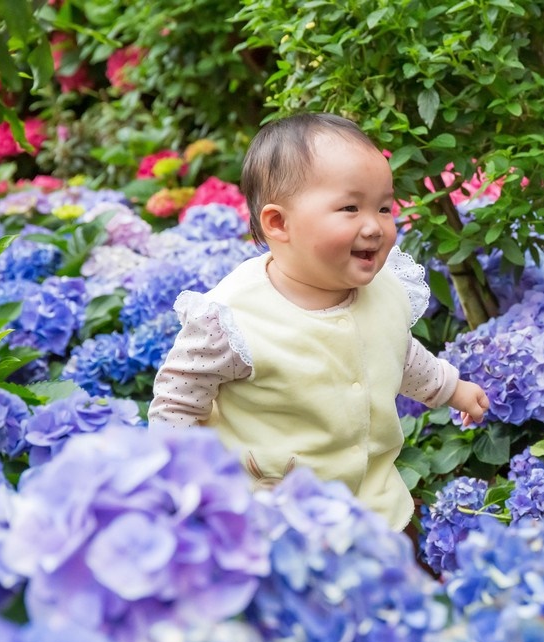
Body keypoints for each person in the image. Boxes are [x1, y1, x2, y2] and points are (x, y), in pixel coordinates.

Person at [149, 112, 489, 530]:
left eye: (384, 207)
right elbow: (178, 399)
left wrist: (449, 387)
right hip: (276, 519)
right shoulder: (235, 318)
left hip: (374, 506)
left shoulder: (385, 289)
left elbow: (395, 351)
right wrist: (183, 483)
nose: (375, 226)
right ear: (279, 223)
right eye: (350, 207)